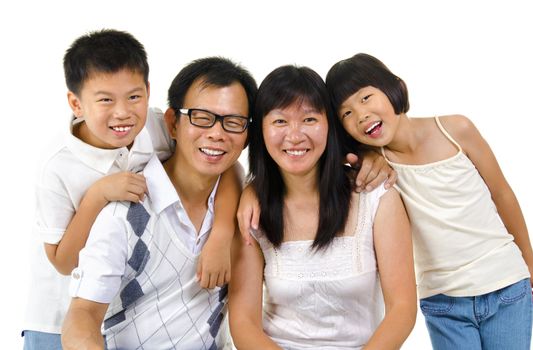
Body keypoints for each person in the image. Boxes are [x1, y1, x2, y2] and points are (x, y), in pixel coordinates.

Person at [23, 30, 241, 349]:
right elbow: (62, 262)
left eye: (134, 97)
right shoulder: (57, 166)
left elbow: (226, 165)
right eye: (105, 100)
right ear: (76, 103)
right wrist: (97, 196)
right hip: (57, 317)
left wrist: (222, 233)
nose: (123, 112)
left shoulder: (155, 127)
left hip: (123, 309)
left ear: (149, 92)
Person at [326, 53, 533, 349]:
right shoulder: (378, 168)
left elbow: (502, 194)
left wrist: (529, 263)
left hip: (506, 285)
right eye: (345, 113)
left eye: (366, 98)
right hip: (444, 302)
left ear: (396, 88)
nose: (360, 114)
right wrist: (367, 155)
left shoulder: (455, 129)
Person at [229, 65, 417, 349]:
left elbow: (402, 309)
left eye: (309, 119)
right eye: (280, 122)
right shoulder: (252, 211)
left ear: (330, 125)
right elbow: (243, 323)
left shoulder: (375, 195)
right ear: (261, 131)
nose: (295, 135)